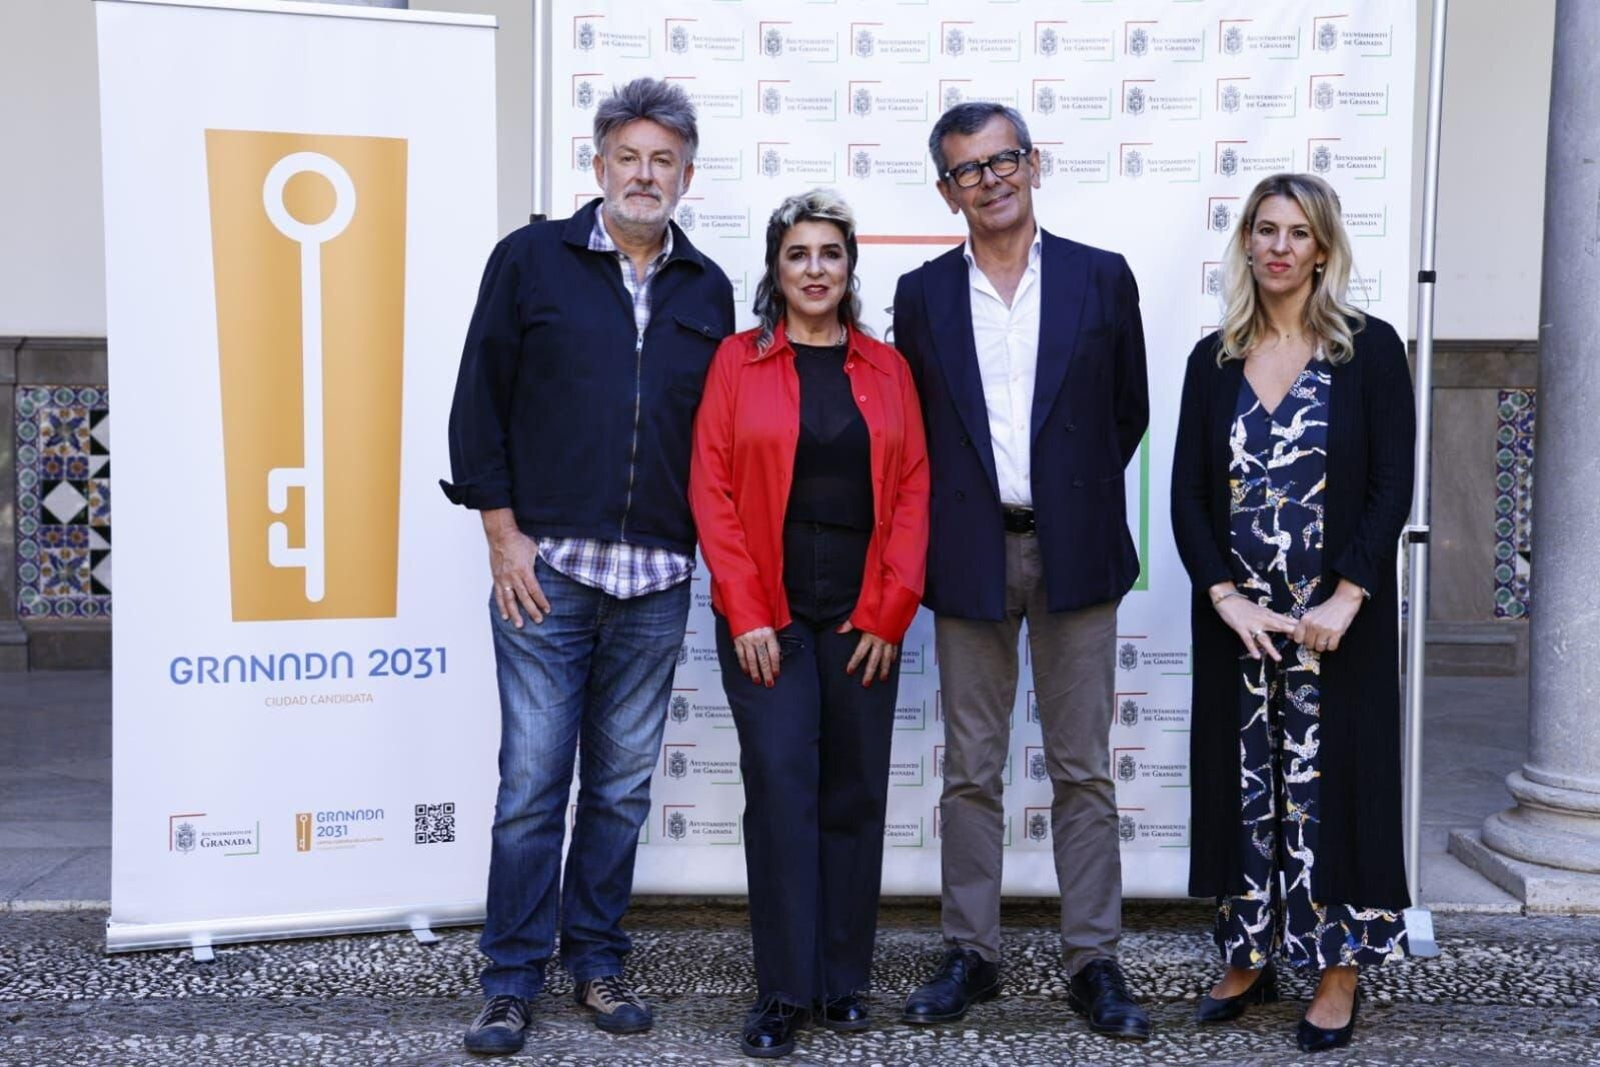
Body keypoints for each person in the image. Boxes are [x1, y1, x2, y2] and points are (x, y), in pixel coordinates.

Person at [440, 77, 734, 1056]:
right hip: (547, 570)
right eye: (628, 157)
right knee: (532, 783)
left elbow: (718, 439)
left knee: (616, 789)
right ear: (597, 163)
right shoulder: (529, 260)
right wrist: (500, 531)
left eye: (663, 161)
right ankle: (509, 979)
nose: (644, 175)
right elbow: (478, 400)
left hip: (655, 579)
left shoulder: (709, 288)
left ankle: (597, 962)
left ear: (685, 176)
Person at [891, 102, 1151, 1041]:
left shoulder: (1098, 277)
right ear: (945, 189)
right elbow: (914, 431)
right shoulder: (919, 295)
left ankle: (1094, 957)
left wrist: (1070, 499)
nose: (991, 179)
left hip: (1076, 548)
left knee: (1084, 767)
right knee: (971, 767)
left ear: (1033, 164)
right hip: (966, 551)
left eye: (1004, 160)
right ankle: (973, 950)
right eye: (968, 169)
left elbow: (1127, 412)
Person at [1170, 172, 1415, 1053]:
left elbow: (1393, 484)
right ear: (1246, 243)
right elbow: (1188, 498)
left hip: (1332, 627)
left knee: (1332, 791)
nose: (1279, 246)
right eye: (1264, 230)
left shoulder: (1371, 351)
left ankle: (1339, 964)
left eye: (1297, 233)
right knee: (1246, 791)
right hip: (1239, 625)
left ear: (1323, 249)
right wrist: (1224, 595)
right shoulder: (1213, 359)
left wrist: (1348, 595)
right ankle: (1247, 951)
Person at [688, 189, 929, 1059]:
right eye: (799, 254)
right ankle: (784, 990)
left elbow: (912, 494)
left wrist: (890, 610)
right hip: (769, 617)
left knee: (854, 795)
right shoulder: (735, 363)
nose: (816, 269)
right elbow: (710, 491)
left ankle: (841, 980)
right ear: (776, 268)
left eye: (831, 253)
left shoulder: (886, 367)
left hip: (863, 615)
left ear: (851, 267)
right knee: (783, 792)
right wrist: (747, 611)